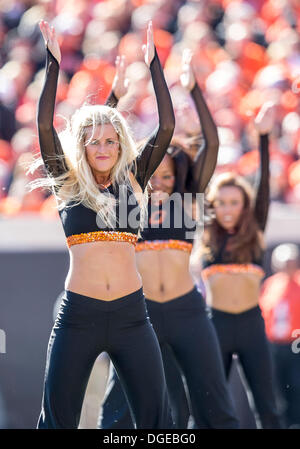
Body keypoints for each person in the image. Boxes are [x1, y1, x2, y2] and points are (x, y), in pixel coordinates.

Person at [35, 19, 175, 429]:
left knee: (156, 419)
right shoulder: (68, 182)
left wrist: (153, 66)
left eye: (110, 140)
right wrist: (53, 64)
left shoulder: (135, 178)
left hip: (133, 314)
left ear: (121, 144)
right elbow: (45, 126)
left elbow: (166, 127)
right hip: (79, 314)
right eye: (93, 140)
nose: (102, 147)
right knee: (57, 420)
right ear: (81, 145)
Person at [98, 49, 239, 429]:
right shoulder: (125, 204)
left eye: (168, 177)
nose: (159, 183)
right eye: (153, 176)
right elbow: (95, 153)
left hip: (187, 311)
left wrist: (193, 90)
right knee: (120, 409)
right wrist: (113, 99)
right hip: (138, 314)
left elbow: (211, 142)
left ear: (180, 180)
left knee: (215, 404)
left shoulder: (188, 201)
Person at [200, 102, 282, 428]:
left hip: (251, 325)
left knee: (268, 407)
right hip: (214, 325)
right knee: (208, 407)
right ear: (212, 206)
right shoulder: (207, 232)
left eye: (235, 202)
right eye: (221, 203)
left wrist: (262, 137)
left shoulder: (256, 229)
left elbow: (262, 187)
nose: (228, 209)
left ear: (245, 205)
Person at [259, 243, 300, 428]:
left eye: (291, 262)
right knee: (277, 387)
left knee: (296, 386)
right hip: (274, 345)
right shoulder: (271, 284)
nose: (288, 266)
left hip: (295, 344)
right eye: (285, 262)